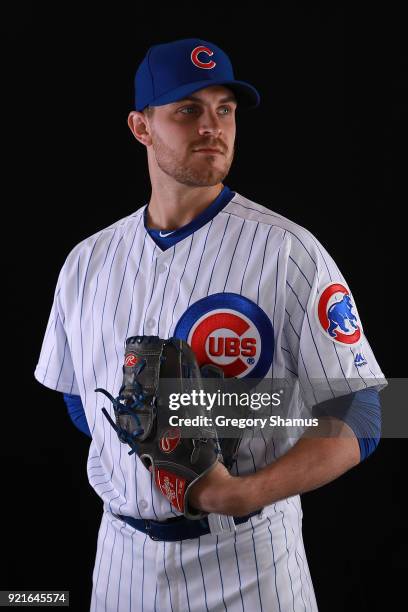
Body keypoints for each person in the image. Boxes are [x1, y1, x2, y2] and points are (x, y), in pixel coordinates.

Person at [35, 38, 386, 611]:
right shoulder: (87, 261)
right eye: (187, 110)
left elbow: (371, 407)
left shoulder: (288, 251)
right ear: (140, 127)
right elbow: (81, 398)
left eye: (224, 109)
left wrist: (238, 487)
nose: (213, 126)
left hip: (248, 561)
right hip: (121, 559)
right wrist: (152, 445)